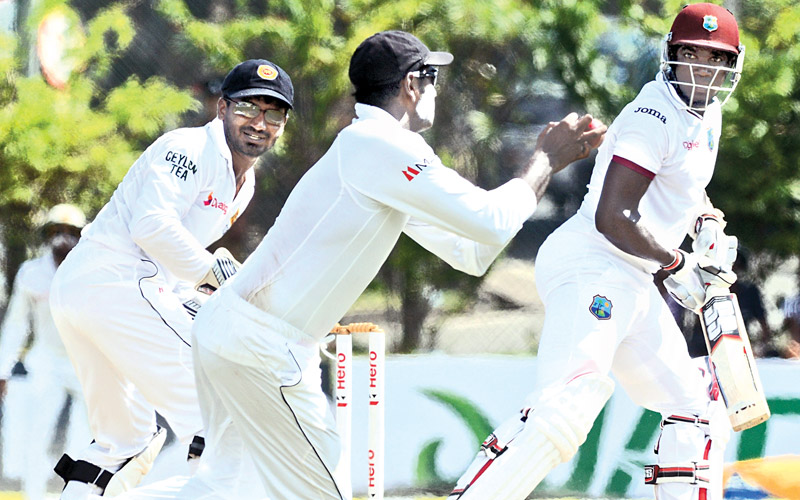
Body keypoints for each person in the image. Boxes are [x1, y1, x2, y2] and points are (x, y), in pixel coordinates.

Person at [111, 30, 605, 500]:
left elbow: (473, 252)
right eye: (432, 77)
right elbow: (493, 222)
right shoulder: (382, 148)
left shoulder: (375, 152)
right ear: (413, 85)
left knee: (222, 488)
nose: (436, 88)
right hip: (262, 345)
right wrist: (543, 158)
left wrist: (546, 171)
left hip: (237, 333)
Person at [451, 4, 744, 500]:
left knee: (697, 405)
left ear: (730, 66)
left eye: (714, 58)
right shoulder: (653, 116)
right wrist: (677, 263)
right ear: (670, 56)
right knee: (564, 405)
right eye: (690, 54)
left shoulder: (708, 115)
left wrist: (708, 223)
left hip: (632, 284)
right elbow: (614, 217)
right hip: (594, 266)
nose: (701, 68)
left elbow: (684, 185)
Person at [48, 58, 294, 499]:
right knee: (226, 411)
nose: (259, 123)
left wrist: (218, 303)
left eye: (272, 114)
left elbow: (180, 277)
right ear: (222, 109)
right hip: (117, 282)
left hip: (98, 293)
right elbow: (151, 227)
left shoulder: (245, 182)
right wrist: (216, 278)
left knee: (127, 442)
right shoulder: (189, 148)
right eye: (247, 109)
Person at [0, 204, 92, 500]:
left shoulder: (92, 271)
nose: (63, 238)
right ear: (46, 235)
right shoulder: (31, 272)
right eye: (56, 231)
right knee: (35, 435)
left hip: (87, 365)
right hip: (46, 362)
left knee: (85, 440)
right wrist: (2, 370)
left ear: (81, 236)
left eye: (70, 232)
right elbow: (15, 326)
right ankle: (34, 495)